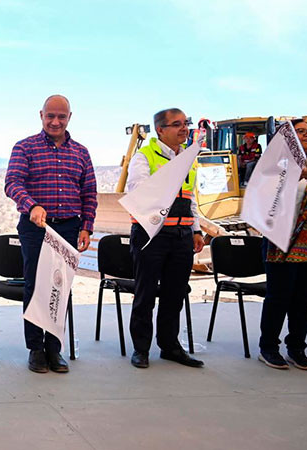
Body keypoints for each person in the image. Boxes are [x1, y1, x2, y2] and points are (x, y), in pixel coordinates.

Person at [5, 95, 96, 374]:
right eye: (50, 116)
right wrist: (31, 205)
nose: (55, 121)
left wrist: (87, 226)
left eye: (61, 116)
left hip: (68, 228)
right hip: (36, 228)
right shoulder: (25, 147)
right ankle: (35, 349)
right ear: (41, 115)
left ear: (70, 117)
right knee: (35, 287)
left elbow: (89, 192)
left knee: (61, 288)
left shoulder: (81, 152)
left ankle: (55, 349)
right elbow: (12, 183)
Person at [125, 108, 205, 369]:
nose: (184, 129)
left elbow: (190, 197)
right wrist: (171, 172)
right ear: (160, 129)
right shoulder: (144, 156)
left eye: (186, 123)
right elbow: (139, 192)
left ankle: (170, 346)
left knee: (175, 294)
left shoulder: (188, 159)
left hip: (181, 236)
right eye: (177, 124)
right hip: (151, 237)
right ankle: (141, 349)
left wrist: (196, 230)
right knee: (145, 293)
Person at [258, 119, 307, 370]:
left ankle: (296, 348)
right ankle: (268, 347)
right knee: (279, 297)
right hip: (281, 239)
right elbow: (264, 199)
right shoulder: (273, 167)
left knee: (304, 298)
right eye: (301, 131)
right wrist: (296, 175)